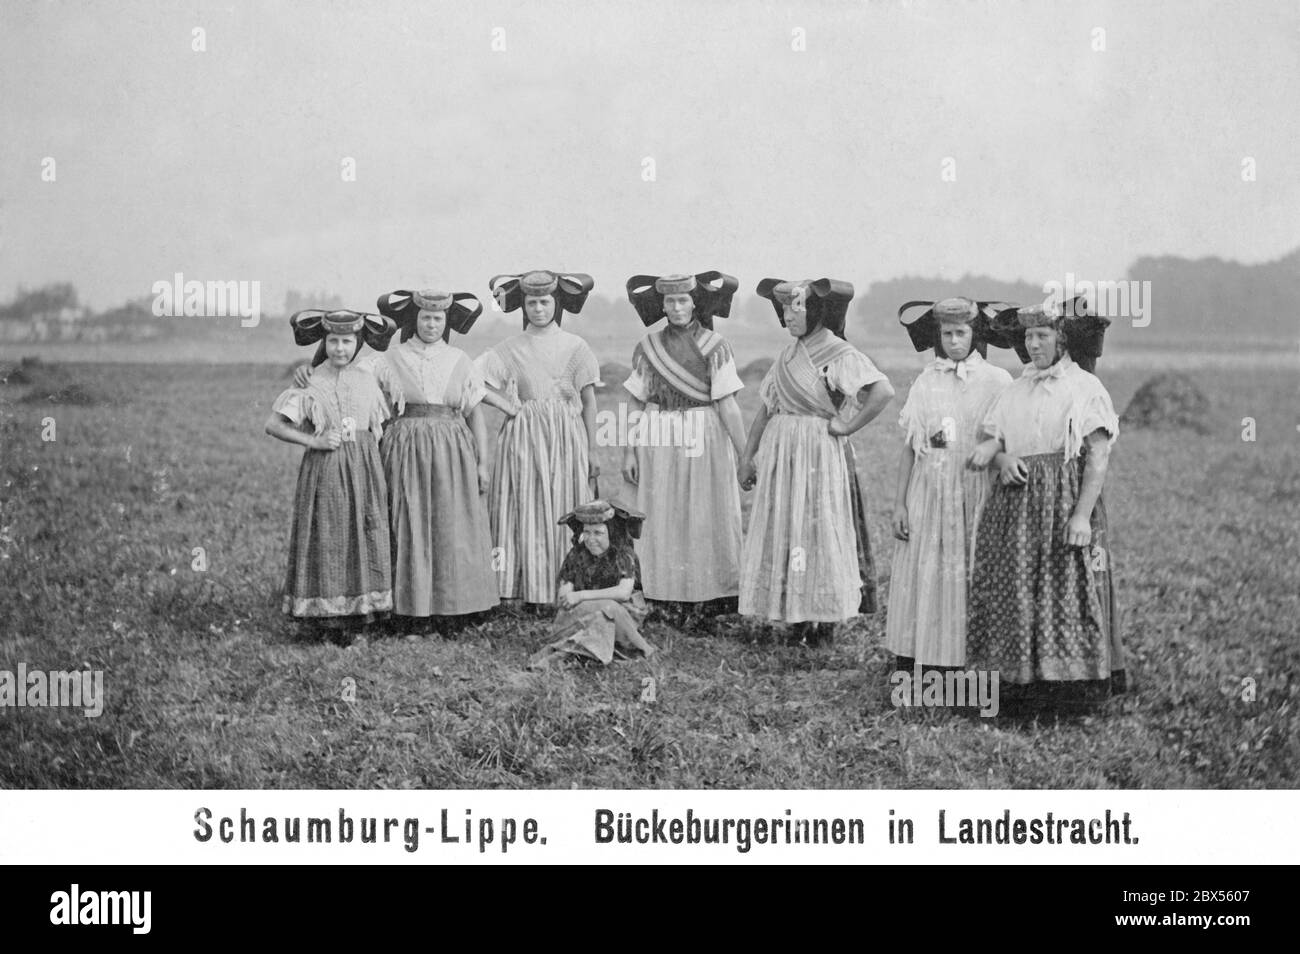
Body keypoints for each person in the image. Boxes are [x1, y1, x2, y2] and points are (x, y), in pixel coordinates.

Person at [965, 297, 1126, 705]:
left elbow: (1099, 454)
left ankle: (1070, 690)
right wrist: (1002, 458)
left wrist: (1082, 517)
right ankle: (1021, 687)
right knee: (1016, 589)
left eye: (1043, 335)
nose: (1034, 344)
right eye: (1029, 336)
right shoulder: (1015, 390)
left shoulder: (1084, 387)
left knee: (1066, 589)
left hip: (1065, 502)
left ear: (1062, 339)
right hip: (1015, 507)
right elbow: (989, 441)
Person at [737, 278, 895, 647]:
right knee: (788, 529)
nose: (789, 316)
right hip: (782, 455)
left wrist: (848, 424)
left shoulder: (839, 353)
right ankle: (795, 614)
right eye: (786, 308)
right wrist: (747, 457)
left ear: (818, 311)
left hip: (818, 453)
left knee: (819, 529)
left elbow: (882, 391)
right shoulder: (787, 354)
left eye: (798, 308)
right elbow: (765, 409)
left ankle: (823, 621)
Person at [885, 297, 1014, 670]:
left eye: (961, 333)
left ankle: (965, 660)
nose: (954, 341)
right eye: (947, 334)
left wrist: (990, 453)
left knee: (967, 569)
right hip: (931, 489)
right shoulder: (927, 381)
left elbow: (1005, 438)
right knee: (928, 569)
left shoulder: (997, 380)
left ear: (975, 335)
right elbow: (912, 446)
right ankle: (922, 656)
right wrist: (900, 503)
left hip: (975, 488)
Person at [620, 272, 746, 630]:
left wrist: (743, 454)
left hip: (703, 432)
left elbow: (729, 405)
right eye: (670, 302)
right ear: (662, 305)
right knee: (661, 512)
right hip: (658, 434)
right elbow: (634, 401)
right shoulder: (648, 347)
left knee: (705, 511)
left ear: (695, 303)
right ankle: (662, 595)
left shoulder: (715, 345)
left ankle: (709, 599)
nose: (676, 307)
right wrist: (628, 451)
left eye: (683, 301)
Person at [265, 309, 398, 633]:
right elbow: (274, 425)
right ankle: (323, 619)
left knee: (365, 534)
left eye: (347, 341)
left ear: (358, 343)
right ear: (325, 342)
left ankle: (363, 617)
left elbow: (381, 423)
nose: (340, 348)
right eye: (334, 341)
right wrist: (313, 440)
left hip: (365, 467)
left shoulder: (368, 379)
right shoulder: (311, 380)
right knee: (329, 534)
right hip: (326, 468)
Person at [475, 269, 600, 608]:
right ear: (523, 306)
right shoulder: (509, 347)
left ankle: (566, 588)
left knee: (564, 502)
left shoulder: (576, 347)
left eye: (545, 302)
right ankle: (520, 590)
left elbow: (589, 401)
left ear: (556, 304)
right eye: (532, 303)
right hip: (524, 435)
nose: (539, 309)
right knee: (523, 505)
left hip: (565, 435)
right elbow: (472, 382)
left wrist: (593, 449)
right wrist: (507, 405)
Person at [528, 499, 657, 668]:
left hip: (623, 614)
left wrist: (581, 595)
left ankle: (573, 654)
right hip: (584, 613)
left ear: (611, 533)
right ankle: (586, 651)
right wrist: (574, 598)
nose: (591, 539)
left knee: (607, 611)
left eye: (598, 533)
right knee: (598, 617)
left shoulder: (624, 554)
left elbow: (623, 593)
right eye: (587, 532)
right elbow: (565, 597)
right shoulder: (577, 554)